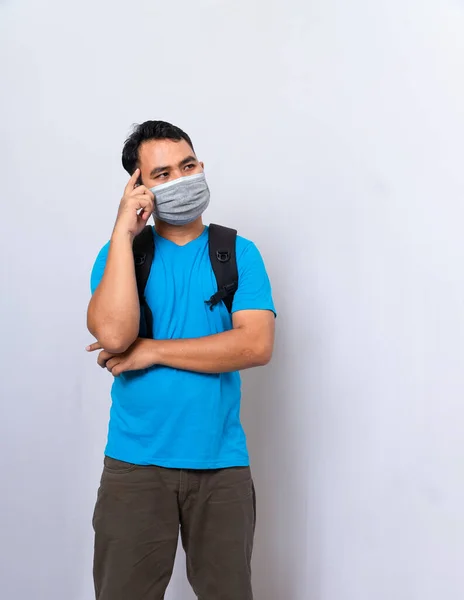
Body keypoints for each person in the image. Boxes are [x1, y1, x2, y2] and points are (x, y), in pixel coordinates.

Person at [86, 120, 276, 600]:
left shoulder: (236, 252)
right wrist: (123, 230)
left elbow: (254, 345)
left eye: (188, 166)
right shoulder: (121, 255)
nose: (182, 180)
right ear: (139, 187)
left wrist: (149, 351)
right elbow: (113, 332)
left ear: (202, 167)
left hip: (221, 466)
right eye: (163, 173)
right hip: (135, 465)